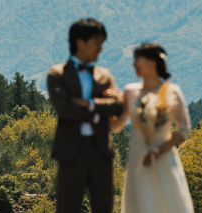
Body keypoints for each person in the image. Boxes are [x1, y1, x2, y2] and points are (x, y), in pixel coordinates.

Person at [47, 18, 125, 213]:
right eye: (96, 43)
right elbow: (65, 109)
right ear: (80, 42)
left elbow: (118, 106)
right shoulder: (56, 74)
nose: (100, 48)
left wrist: (88, 103)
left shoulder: (104, 75)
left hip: (101, 151)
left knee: (104, 207)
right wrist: (101, 105)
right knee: (68, 207)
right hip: (70, 152)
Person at [111, 42, 194, 213]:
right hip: (137, 158)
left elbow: (183, 130)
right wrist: (107, 105)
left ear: (151, 62)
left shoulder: (172, 91)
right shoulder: (130, 91)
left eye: (137, 60)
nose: (133, 64)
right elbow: (117, 125)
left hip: (165, 158)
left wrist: (159, 151)